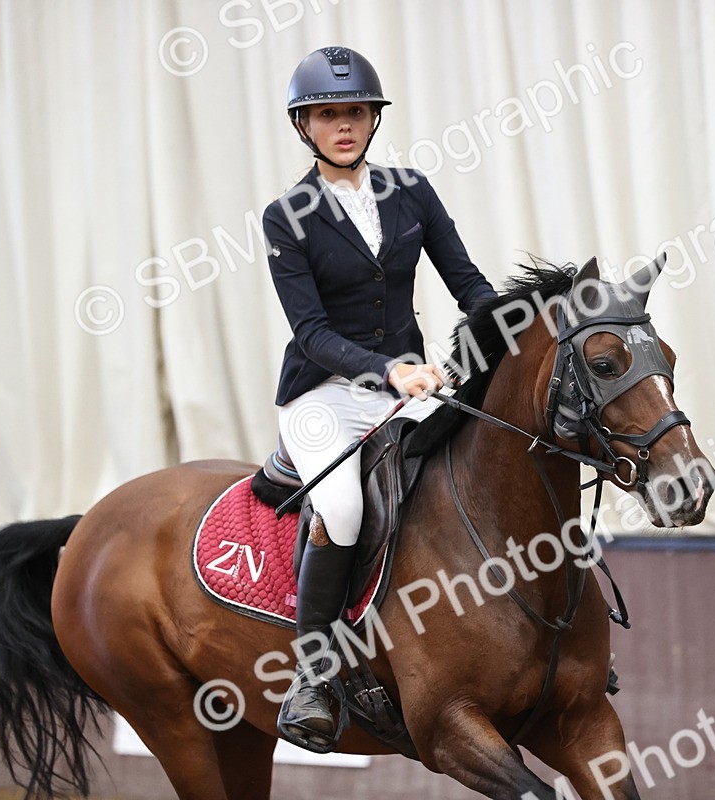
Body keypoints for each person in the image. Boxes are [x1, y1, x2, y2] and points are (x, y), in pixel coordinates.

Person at [262, 46, 497, 750]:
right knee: (340, 503)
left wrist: (506, 332)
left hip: (411, 387)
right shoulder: (287, 216)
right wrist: (390, 371)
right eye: (328, 114)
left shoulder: (411, 191)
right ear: (304, 124)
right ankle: (312, 675)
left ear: (373, 119)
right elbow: (309, 334)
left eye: (355, 112)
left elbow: (470, 283)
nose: (343, 125)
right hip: (322, 395)